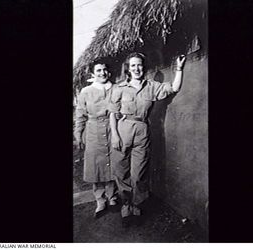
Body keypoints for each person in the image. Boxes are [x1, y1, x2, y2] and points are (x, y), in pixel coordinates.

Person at [109, 52, 186, 227]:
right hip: (123, 129)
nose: (137, 68)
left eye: (140, 65)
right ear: (128, 68)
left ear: (144, 67)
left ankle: (137, 204)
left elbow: (174, 88)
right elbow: (113, 114)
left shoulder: (152, 86)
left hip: (142, 130)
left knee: (139, 173)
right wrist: (114, 134)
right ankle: (126, 205)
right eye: (133, 65)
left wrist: (179, 69)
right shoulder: (119, 88)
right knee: (121, 171)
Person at [74, 57, 118, 218]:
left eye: (105, 69)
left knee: (113, 163)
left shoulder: (115, 88)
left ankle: (112, 197)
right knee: (96, 166)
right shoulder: (86, 92)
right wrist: (78, 134)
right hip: (92, 131)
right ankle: (100, 200)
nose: (102, 73)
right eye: (98, 70)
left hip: (112, 128)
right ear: (93, 73)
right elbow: (80, 115)